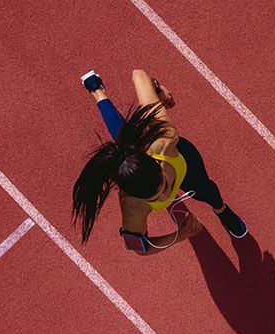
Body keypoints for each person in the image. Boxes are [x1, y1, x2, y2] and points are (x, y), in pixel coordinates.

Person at [72, 68, 247, 255]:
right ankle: (97, 91)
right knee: (123, 141)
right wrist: (180, 235)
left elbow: (138, 75)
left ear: (155, 165)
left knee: (207, 190)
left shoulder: (165, 138)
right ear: (134, 195)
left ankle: (220, 209)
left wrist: (158, 91)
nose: (166, 196)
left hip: (180, 157)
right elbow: (140, 247)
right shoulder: (132, 207)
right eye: (155, 198)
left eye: (164, 186)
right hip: (156, 162)